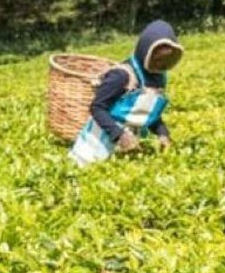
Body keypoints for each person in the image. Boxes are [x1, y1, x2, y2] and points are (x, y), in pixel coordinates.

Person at [69, 20, 184, 166]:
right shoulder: (122, 75)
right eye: (157, 59)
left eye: (167, 61)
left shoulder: (158, 77)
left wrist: (162, 133)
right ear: (145, 51)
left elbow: (150, 113)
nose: (160, 65)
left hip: (131, 147)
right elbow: (97, 107)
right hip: (96, 145)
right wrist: (120, 136)